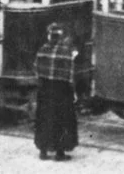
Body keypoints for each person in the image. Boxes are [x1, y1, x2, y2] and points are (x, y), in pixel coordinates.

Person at [34, 23, 78, 161]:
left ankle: (43, 151)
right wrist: (74, 92)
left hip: (45, 90)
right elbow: (70, 76)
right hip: (62, 91)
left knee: (44, 119)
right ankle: (60, 153)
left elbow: (36, 70)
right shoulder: (66, 51)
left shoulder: (42, 49)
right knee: (62, 120)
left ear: (49, 35)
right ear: (60, 36)